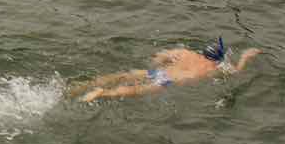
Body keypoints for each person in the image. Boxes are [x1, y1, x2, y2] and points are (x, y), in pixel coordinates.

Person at [70, 39, 260, 102]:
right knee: (134, 90)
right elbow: (236, 72)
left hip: (157, 73)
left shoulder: (185, 52)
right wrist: (245, 57)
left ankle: (84, 86)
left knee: (123, 75)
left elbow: (159, 57)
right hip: (166, 82)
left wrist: (160, 64)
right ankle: (102, 94)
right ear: (217, 59)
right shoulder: (211, 69)